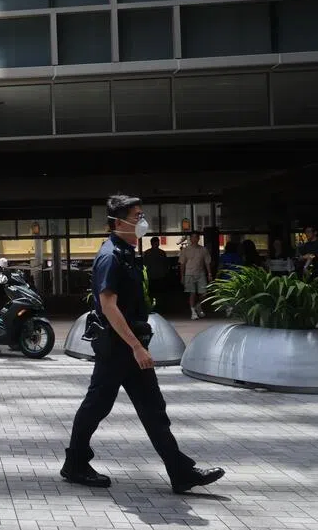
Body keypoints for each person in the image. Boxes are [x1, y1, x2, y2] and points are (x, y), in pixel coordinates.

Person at [62, 195, 224, 494]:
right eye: (137, 217)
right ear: (118, 222)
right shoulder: (110, 256)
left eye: (141, 215)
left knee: (152, 408)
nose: (142, 221)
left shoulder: (126, 253)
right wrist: (136, 346)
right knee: (97, 406)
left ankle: (180, 472)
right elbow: (108, 306)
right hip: (118, 347)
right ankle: (75, 464)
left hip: (129, 346)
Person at [179, 232, 211, 321]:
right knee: (192, 293)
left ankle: (198, 305)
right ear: (190, 239)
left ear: (198, 238)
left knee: (204, 293)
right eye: (192, 237)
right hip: (189, 273)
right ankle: (193, 312)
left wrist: (209, 273)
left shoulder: (203, 249)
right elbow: (182, 264)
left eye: (196, 237)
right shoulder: (185, 250)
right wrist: (182, 276)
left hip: (201, 273)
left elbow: (207, 262)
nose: (194, 239)